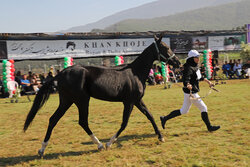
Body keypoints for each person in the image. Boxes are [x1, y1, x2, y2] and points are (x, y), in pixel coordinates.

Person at [160, 50, 220, 132]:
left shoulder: (195, 66)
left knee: (184, 111)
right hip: (191, 93)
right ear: (192, 58)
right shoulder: (188, 68)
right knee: (203, 108)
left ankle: (164, 118)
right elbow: (185, 79)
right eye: (197, 57)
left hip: (190, 93)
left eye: (198, 57)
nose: (198, 59)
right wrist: (188, 84)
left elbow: (200, 77)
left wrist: (209, 82)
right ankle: (209, 127)